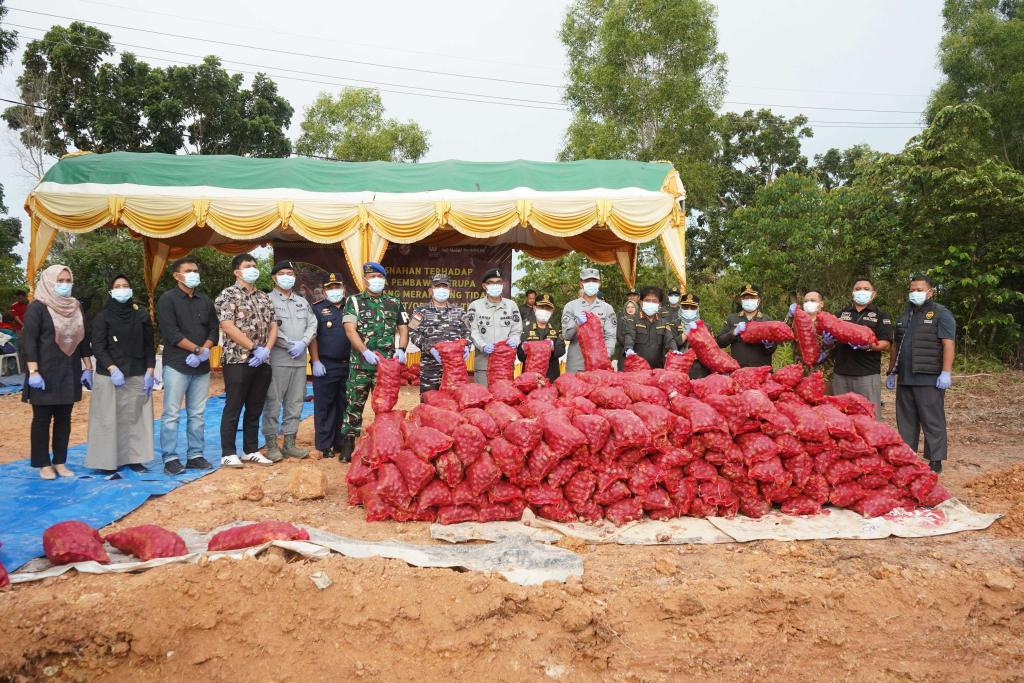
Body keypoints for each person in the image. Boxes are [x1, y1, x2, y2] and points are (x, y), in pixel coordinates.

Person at [21, 265, 93, 480]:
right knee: (42, 419)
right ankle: (43, 463)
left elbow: (83, 338)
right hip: (44, 371)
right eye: (59, 281)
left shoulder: (76, 306)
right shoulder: (38, 307)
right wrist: (33, 371)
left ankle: (60, 461)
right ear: (49, 282)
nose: (64, 285)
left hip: (69, 371)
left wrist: (88, 367)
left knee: (64, 419)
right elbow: (29, 341)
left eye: (68, 281)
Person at [339, 262, 409, 461]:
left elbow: (403, 328)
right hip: (361, 364)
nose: (376, 280)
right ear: (365, 280)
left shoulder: (394, 302)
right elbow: (349, 330)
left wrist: (401, 349)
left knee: (383, 406)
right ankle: (348, 443)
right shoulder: (354, 301)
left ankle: (380, 443)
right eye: (372, 277)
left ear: (384, 279)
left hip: (385, 366)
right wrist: (364, 351)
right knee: (354, 403)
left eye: (379, 277)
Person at [886, 275, 956, 473]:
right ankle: (908, 457)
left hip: (929, 377)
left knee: (932, 420)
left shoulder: (941, 313)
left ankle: (935, 460)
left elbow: (948, 344)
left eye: (919, 290)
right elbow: (896, 345)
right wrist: (891, 371)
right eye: (912, 290)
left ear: (930, 292)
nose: (915, 293)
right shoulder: (904, 315)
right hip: (905, 377)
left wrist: (946, 372)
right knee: (906, 421)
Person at [86, 275, 156, 472]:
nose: (122, 289)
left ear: (131, 290)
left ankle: (135, 458)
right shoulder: (102, 317)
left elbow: (149, 345)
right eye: (117, 286)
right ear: (111, 291)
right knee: (108, 419)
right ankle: (107, 462)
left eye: (125, 285)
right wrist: (112, 367)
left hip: (137, 372)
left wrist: (150, 370)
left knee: (135, 418)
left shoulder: (141, 315)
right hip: (110, 375)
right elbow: (98, 346)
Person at [215, 253, 278, 468]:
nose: (253, 269)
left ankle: (250, 450)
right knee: (234, 406)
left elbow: (273, 325)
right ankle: (228, 452)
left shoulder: (263, 296)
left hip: (262, 361)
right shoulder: (228, 295)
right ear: (237, 272)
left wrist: (266, 350)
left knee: (255, 406)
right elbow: (228, 326)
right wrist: (253, 347)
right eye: (248, 266)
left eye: (255, 265)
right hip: (237, 359)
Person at [156, 256, 218, 475]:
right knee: (171, 414)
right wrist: (197, 350)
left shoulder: (205, 300)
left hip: (201, 367)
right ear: (177, 275)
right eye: (189, 271)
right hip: (177, 364)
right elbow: (171, 333)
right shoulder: (167, 299)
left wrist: (205, 350)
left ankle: (195, 455)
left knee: (197, 414)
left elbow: (214, 329)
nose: (194, 274)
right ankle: (170, 458)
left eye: (195, 271)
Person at [262, 261, 317, 462]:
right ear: (274, 277)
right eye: (283, 273)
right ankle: (271, 444)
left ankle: (289, 444)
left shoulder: (302, 301)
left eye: (291, 274)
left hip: (299, 360)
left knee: (295, 403)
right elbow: (269, 328)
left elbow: (312, 324)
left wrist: (303, 343)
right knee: (273, 403)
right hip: (278, 360)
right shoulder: (267, 300)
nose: (287, 277)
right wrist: (288, 344)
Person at [829, 279, 894, 420]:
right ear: (852, 293)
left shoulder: (881, 315)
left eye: (866, 289)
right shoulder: (840, 314)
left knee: (869, 416)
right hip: (841, 374)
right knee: (841, 417)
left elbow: (886, 343)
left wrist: (869, 345)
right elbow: (831, 338)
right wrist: (828, 341)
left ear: (874, 294)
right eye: (858, 289)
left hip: (867, 374)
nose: (861, 291)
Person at [309, 272, 351, 459]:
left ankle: (341, 442)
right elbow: (313, 336)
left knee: (345, 405)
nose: (334, 290)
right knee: (325, 406)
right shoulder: (317, 309)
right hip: (325, 365)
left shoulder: (352, 306)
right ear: (324, 291)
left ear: (343, 288)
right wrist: (316, 360)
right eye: (330, 287)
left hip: (349, 365)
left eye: (337, 286)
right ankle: (325, 444)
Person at [410, 273, 470, 393]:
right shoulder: (420, 311)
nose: (441, 289)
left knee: (453, 402)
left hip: (454, 370)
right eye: (437, 286)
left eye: (444, 286)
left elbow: (468, 332)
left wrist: (467, 345)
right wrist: (430, 348)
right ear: (430, 290)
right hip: (429, 369)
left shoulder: (460, 312)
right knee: (429, 402)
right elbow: (412, 333)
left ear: (450, 290)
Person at [465, 268, 522, 385]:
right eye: (491, 283)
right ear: (484, 286)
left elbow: (517, 330)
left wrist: (514, 340)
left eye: (498, 282)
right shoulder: (475, 306)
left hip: (505, 364)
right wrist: (483, 345)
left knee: (504, 395)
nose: (495, 285)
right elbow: (472, 331)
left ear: (503, 285)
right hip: (483, 365)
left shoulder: (511, 306)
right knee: (483, 395)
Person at [561, 268, 617, 373]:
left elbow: (610, 337)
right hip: (577, 365)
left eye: (594, 281)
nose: (591, 283)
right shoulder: (571, 306)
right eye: (587, 281)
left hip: (599, 365)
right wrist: (577, 324)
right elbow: (566, 336)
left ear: (599, 283)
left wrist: (604, 356)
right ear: (581, 283)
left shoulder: (607, 308)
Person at [716, 283, 777, 368]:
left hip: (761, 371)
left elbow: (772, 349)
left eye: (753, 298)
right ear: (741, 300)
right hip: (739, 371)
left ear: (759, 300)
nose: (749, 300)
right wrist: (734, 332)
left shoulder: (767, 320)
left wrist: (769, 344)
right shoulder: (732, 318)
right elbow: (720, 342)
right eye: (746, 298)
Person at [623, 287, 677, 369]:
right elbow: (629, 337)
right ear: (641, 303)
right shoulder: (633, 320)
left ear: (660, 304)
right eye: (647, 300)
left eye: (654, 301)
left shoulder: (664, 322)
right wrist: (628, 349)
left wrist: (674, 350)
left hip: (658, 369)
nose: (651, 303)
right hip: (637, 368)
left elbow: (669, 340)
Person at [517, 293, 565, 381]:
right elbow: (520, 357)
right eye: (541, 307)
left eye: (548, 309)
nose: (544, 311)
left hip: (551, 374)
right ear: (534, 308)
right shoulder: (525, 329)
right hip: (530, 376)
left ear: (552, 310)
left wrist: (552, 348)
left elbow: (561, 351)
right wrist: (524, 349)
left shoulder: (556, 328)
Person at [789, 289, 831, 366]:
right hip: (800, 367)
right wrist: (791, 317)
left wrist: (826, 344)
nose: (809, 303)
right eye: (806, 301)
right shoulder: (797, 320)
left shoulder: (829, 321)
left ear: (821, 303)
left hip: (822, 368)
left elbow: (836, 348)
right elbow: (785, 333)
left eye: (812, 300)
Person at [674, 292, 710, 378]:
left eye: (692, 307)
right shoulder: (673, 324)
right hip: (679, 368)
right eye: (685, 307)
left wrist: (699, 333)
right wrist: (686, 333)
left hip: (700, 369)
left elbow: (711, 348)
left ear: (697, 309)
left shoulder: (705, 326)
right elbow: (669, 344)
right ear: (681, 307)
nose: (689, 310)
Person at [615, 300, 638, 368]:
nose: (630, 309)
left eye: (632, 307)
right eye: (628, 307)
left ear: (636, 308)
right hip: (624, 349)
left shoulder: (640, 320)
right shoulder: (622, 319)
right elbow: (618, 335)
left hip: (638, 350)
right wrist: (627, 345)